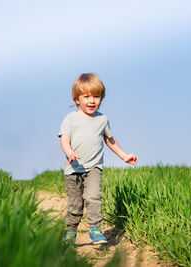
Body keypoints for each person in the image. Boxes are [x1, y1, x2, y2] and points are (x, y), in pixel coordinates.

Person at [58, 73, 138, 245]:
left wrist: (124, 156)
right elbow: (64, 140)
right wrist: (70, 152)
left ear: (101, 98)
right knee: (75, 204)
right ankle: (70, 232)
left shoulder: (102, 120)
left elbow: (110, 140)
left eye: (96, 96)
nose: (92, 101)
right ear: (77, 99)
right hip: (74, 170)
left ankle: (95, 229)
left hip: (94, 167)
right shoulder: (70, 119)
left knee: (94, 196)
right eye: (86, 96)